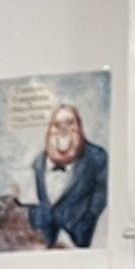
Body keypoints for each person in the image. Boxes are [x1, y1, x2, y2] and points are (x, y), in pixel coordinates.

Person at [27, 103, 109, 249]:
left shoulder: (97, 158)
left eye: (69, 123)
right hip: (45, 246)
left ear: (79, 127)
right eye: (56, 124)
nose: (62, 129)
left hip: (81, 242)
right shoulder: (38, 163)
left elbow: (102, 195)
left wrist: (87, 220)